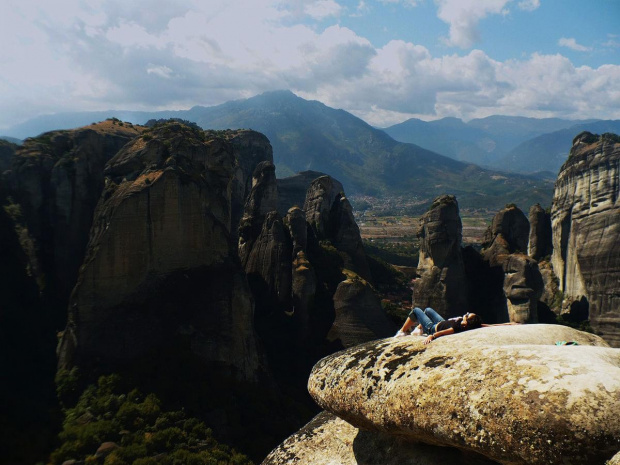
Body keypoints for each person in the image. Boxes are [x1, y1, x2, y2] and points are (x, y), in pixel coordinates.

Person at [395, 306, 516, 344]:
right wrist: (508, 324)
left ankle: (402, 331)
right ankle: (419, 328)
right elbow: (489, 326)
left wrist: (431, 336)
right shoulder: (471, 325)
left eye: (468, 315)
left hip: (432, 327)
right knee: (427, 310)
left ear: (466, 321)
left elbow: (442, 333)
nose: (466, 313)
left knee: (416, 310)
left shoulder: (458, 327)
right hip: (441, 322)